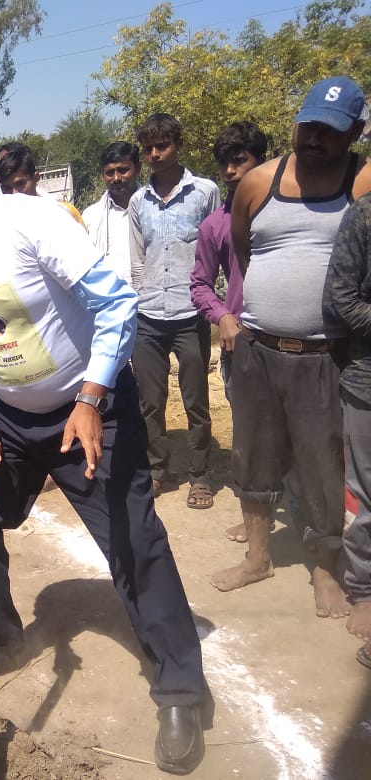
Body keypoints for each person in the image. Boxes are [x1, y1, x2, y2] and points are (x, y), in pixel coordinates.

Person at [0, 119, 210, 776]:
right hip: (9, 417)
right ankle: (0, 637)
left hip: (92, 408)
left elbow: (117, 304)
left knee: (135, 541)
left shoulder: (28, 221)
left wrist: (90, 398)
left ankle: (180, 689)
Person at [216, 77, 371, 619]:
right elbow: (243, 251)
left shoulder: (364, 181)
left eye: (330, 133)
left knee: (322, 466)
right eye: (308, 127)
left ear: (355, 132)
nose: (314, 140)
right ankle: (258, 557)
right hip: (258, 351)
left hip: (328, 357)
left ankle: (325, 573)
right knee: (252, 457)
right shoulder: (258, 182)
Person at [129, 113, 220, 508]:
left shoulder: (205, 193)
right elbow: (136, 262)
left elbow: (216, 250)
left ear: (177, 144)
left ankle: (201, 476)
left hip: (190, 314)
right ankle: (156, 470)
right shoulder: (138, 201)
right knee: (150, 401)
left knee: (196, 400)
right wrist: (135, 304)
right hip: (148, 316)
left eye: (161, 145)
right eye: (148, 147)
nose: (154, 154)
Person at [325, 188, 371, 672]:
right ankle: (365, 589)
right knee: (368, 491)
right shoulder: (365, 216)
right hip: (367, 376)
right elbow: (341, 296)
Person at [190, 122, 267, 405]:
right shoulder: (214, 225)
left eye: (239, 161)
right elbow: (200, 284)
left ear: (261, 160)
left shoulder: (290, 212)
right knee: (248, 436)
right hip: (242, 342)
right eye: (224, 164)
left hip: (295, 344)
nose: (230, 171)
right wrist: (222, 316)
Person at [82, 141, 141, 285]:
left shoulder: (154, 208)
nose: (116, 178)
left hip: (150, 301)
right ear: (103, 175)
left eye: (123, 170)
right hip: (109, 302)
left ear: (138, 169)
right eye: (109, 173)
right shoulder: (91, 216)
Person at [0, 145, 84, 223]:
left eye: (20, 184)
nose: (14, 194)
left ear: (36, 178)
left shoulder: (66, 213)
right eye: (6, 188)